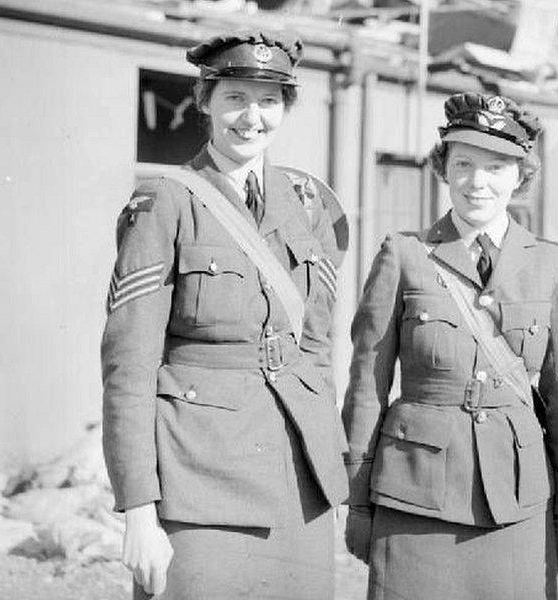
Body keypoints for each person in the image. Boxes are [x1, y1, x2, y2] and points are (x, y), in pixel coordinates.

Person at [101, 30, 348, 599]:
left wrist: (331, 471)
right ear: (205, 101)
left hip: (297, 480)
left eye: (267, 101)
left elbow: (315, 347)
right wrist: (140, 509)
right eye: (234, 98)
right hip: (199, 480)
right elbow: (129, 367)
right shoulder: (166, 202)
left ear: (285, 109)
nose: (250, 118)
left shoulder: (311, 205)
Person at [341, 92, 558, 600]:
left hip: (518, 501)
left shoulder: (552, 265)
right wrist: (358, 502)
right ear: (443, 169)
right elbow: (367, 384)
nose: (478, 182)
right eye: (465, 164)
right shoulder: (404, 256)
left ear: (520, 175)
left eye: (497, 167)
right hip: (414, 497)